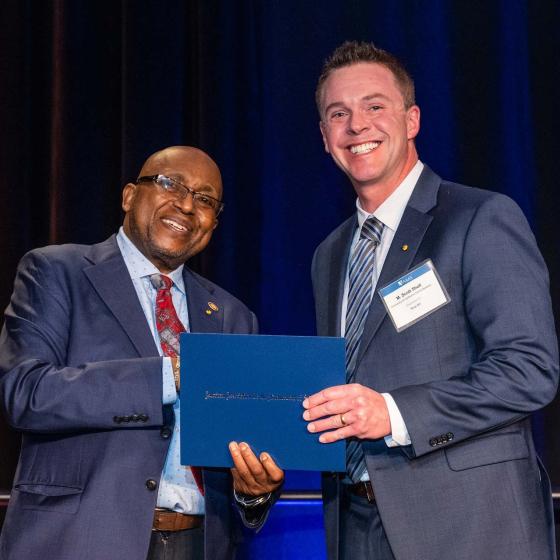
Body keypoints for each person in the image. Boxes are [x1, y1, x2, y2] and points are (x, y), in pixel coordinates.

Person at [303, 41, 558, 560]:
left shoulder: (479, 218)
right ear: (326, 138)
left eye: (374, 106)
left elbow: (529, 370)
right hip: (355, 527)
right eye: (338, 114)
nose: (357, 125)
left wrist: (393, 413)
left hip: (471, 527)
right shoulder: (328, 255)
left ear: (412, 119)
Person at [0, 146, 284, 560]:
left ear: (214, 222)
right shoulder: (56, 272)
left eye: (205, 200)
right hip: (79, 540)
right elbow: (26, 393)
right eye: (171, 184)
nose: (187, 205)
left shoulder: (233, 317)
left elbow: (241, 452)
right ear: (130, 196)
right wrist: (167, 376)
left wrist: (253, 492)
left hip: (199, 544)